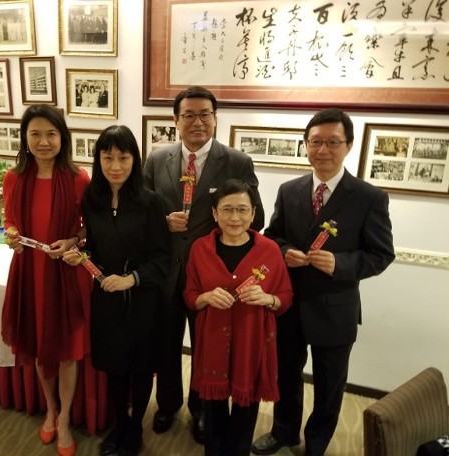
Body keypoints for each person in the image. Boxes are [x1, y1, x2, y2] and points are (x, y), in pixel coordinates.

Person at [251, 108, 395, 456]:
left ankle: (317, 444)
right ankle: (284, 432)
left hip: (335, 308)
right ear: (306, 145)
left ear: (348, 146)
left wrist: (340, 264)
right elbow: (273, 236)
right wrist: (284, 251)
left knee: (330, 384)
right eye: (315, 142)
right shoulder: (290, 190)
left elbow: (381, 254)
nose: (323, 150)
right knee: (286, 373)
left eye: (333, 142)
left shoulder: (369, 197)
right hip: (290, 304)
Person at [142, 85, 265, 444]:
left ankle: (201, 409)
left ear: (215, 118)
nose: (197, 122)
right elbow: (142, 212)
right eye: (189, 115)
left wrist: (221, 226)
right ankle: (167, 404)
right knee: (165, 343)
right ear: (175, 120)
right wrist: (163, 222)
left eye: (205, 115)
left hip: (211, 276)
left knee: (207, 347)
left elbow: (253, 218)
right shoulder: (156, 159)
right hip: (166, 271)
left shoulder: (237, 162)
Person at [64, 125, 170, 456]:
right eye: (107, 157)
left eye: (123, 158)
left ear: (134, 159)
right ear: (98, 159)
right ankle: (120, 424)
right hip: (107, 298)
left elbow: (162, 259)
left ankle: (135, 427)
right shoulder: (92, 200)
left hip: (142, 299)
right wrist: (80, 254)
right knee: (114, 366)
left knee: (140, 367)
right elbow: (94, 246)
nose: (115, 166)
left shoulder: (151, 202)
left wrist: (131, 279)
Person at [1, 104, 90, 456]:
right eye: (35, 134)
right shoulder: (14, 178)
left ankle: (65, 417)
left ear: (62, 137)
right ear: (25, 138)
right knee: (40, 348)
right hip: (30, 274)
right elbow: (8, 221)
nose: (43, 141)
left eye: (51, 134)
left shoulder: (78, 178)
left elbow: (88, 229)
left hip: (66, 273)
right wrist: (10, 234)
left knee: (67, 352)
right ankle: (50, 409)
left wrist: (73, 241)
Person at [184, 179, 292, 456]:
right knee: (214, 408)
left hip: (251, 339)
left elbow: (285, 297)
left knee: (246, 408)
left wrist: (268, 298)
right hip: (213, 338)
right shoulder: (200, 249)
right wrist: (206, 297)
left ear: (253, 213)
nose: (235, 218)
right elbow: (190, 296)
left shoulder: (269, 250)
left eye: (242, 210)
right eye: (227, 209)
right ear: (214, 213)